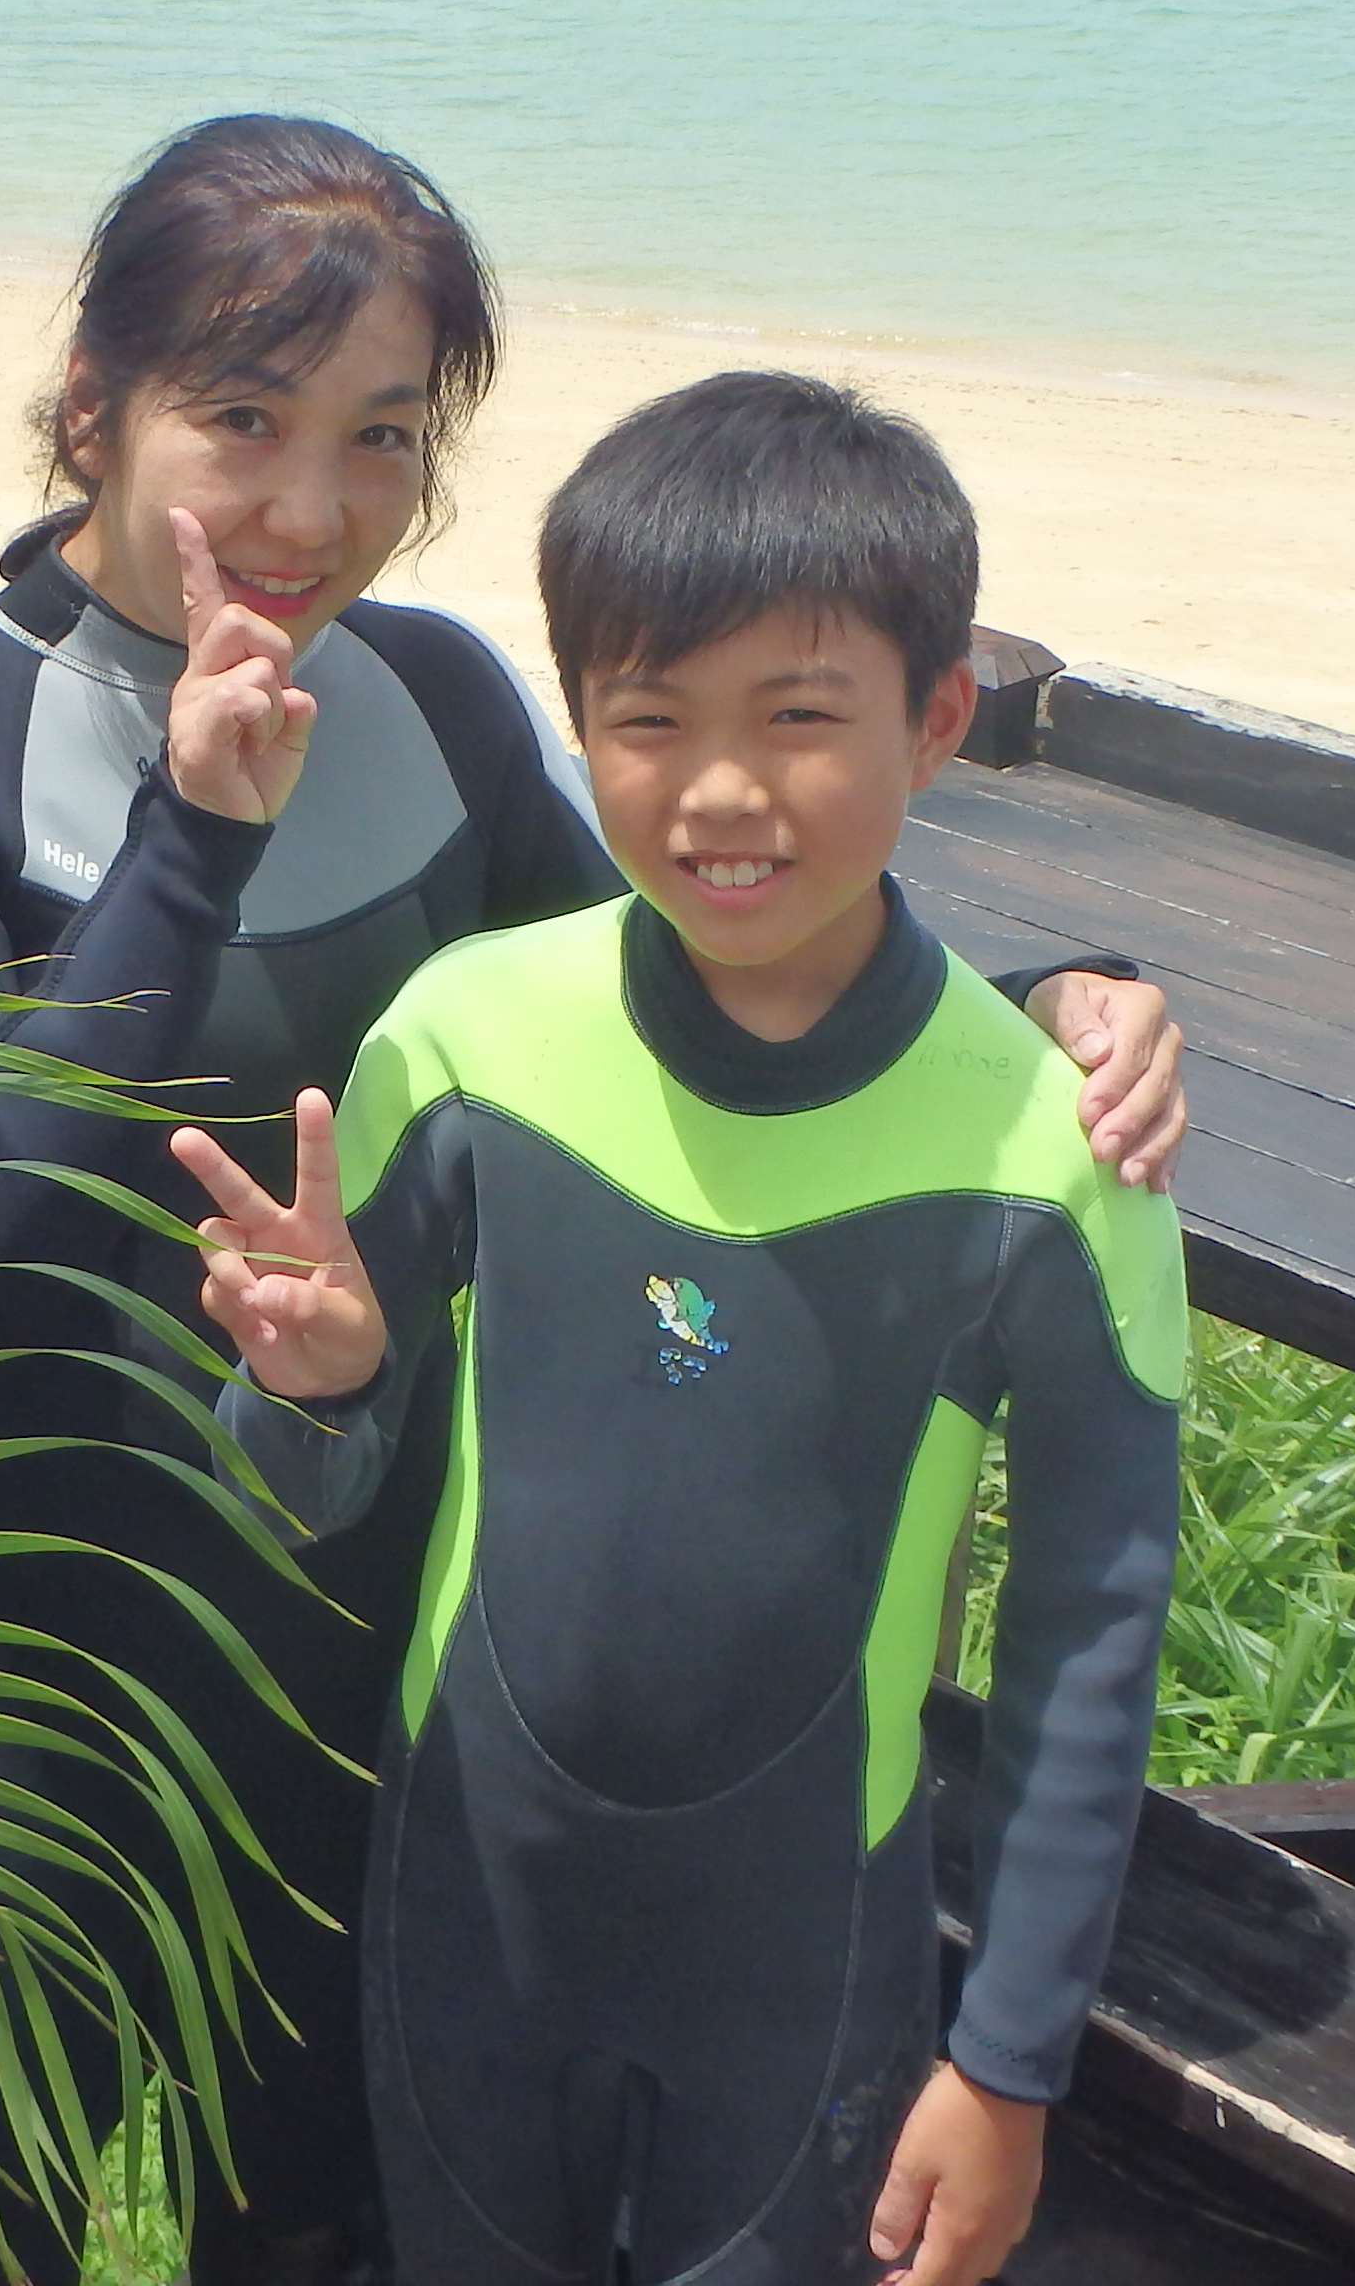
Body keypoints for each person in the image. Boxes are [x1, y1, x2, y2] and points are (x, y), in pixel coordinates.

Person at [0, 121, 1185, 2286]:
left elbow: (698, 965)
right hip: (0, 1703)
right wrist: (189, 843)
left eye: (382, 436)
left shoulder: (430, 697)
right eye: (243, 419)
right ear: (95, 405)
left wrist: (1026, 1015)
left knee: (306, 2240)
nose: (313, 509)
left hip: (336, 1674)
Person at [182, 371, 1189, 2286]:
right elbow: (301, 1488)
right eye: (650, 722)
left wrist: (1010, 2062)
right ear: (580, 725)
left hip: (799, 1961)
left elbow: (1090, 1644)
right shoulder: (468, 1039)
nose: (723, 793)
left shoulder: (1057, 1158)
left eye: (799, 719)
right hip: (467, 1915)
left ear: (937, 718)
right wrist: (313, 1388)